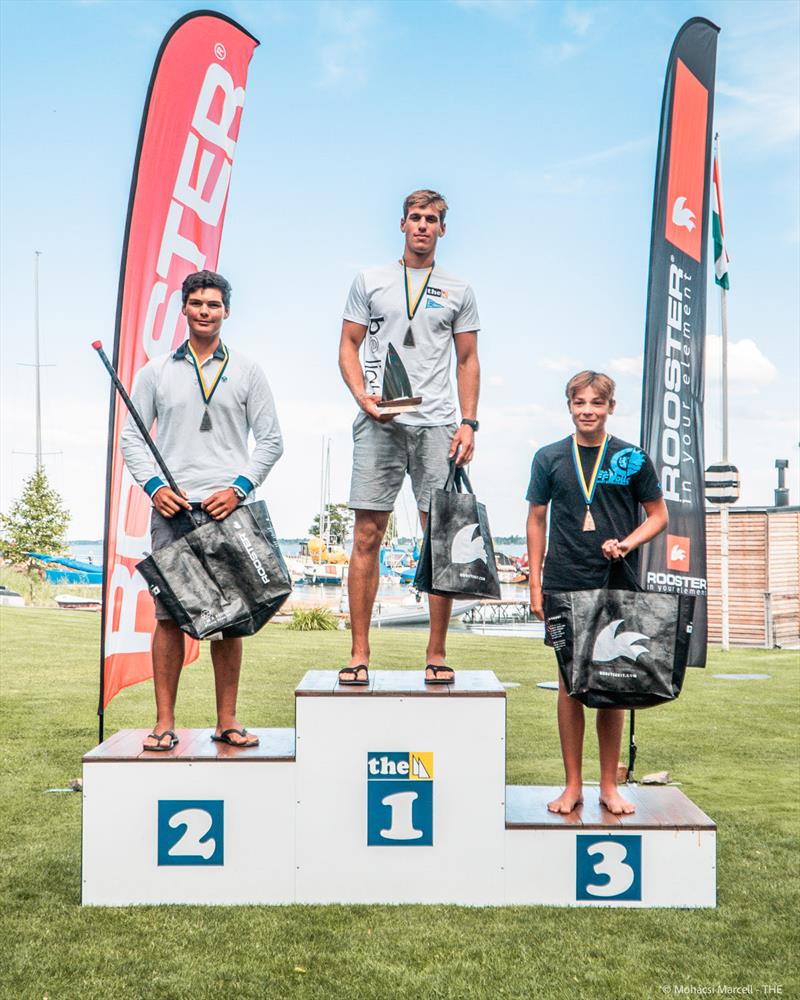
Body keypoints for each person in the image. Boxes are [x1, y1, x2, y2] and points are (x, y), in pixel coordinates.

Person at [121, 269, 283, 751]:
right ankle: (164, 723)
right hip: (173, 508)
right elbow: (133, 435)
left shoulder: (249, 370)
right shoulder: (155, 371)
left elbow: (271, 441)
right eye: (197, 304)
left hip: (228, 509)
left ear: (226, 312)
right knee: (168, 617)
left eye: (214, 304)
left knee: (230, 617)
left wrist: (239, 487)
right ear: (184, 309)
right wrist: (153, 486)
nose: (205, 311)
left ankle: (227, 721)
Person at [338, 189, 481, 686]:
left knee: (438, 540)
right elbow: (348, 346)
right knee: (366, 535)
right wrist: (362, 398)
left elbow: (467, 360)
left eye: (433, 219)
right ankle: (359, 653)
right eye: (416, 217)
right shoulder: (370, 281)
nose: (423, 225)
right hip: (380, 421)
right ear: (402, 224)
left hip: (437, 426)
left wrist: (469, 422)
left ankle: (437, 652)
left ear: (443, 229)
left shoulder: (458, 288)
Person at [526, 371, 667, 815]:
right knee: (570, 686)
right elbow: (535, 520)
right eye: (579, 403)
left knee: (613, 685)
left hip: (616, 584)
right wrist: (535, 583)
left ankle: (609, 785)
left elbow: (658, 516)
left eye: (596, 403)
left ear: (610, 407)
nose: (587, 411)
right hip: (564, 584)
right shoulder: (549, 458)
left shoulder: (630, 458)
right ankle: (572, 786)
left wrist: (626, 542)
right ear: (569, 406)